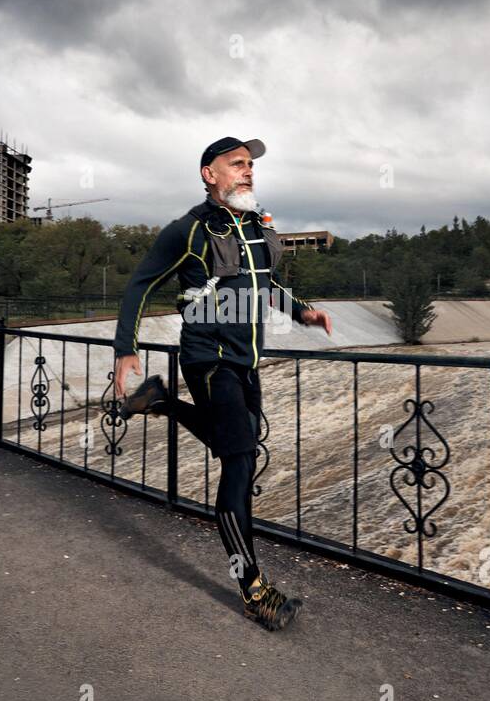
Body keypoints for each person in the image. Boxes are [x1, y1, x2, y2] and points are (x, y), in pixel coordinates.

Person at [111, 136, 333, 630]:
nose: (247, 171)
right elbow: (139, 284)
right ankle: (253, 588)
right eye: (236, 164)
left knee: (236, 443)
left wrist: (302, 312)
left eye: (250, 165)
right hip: (208, 359)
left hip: (247, 360)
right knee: (238, 462)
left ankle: (163, 402)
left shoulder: (255, 225)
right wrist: (126, 347)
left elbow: (265, 286)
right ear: (209, 174)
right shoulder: (187, 230)